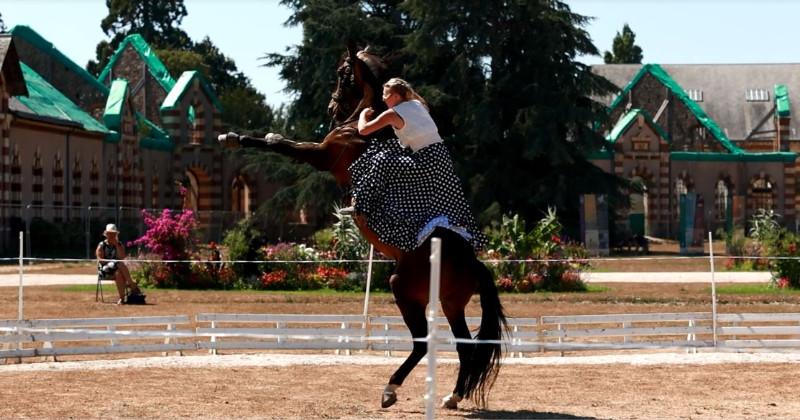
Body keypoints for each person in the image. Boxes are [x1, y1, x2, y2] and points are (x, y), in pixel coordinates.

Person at [350, 77, 486, 253]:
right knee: (393, 150)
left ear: (397, 96)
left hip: (425, 160)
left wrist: (362, 114)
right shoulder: (417, 104)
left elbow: (363, 130)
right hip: (442, 159)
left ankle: (362, 202)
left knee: (380, 158)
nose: (383, 99)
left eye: (386, 95)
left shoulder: (392, 113)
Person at [96, 223, 143, 304]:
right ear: (106, 234)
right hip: (105, 269)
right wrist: (112, 262)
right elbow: (100, 260)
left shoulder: (119, 244)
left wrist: (117, 245)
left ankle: (122, 299)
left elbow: (122, 257)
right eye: (109, 234)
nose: (111, 236)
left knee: (118, 273)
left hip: (117, 269)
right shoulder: (101, 245)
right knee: (119, 264)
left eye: (113, 234)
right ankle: (132, 284)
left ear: (116, 235)